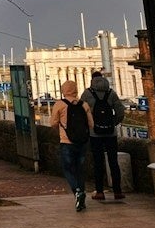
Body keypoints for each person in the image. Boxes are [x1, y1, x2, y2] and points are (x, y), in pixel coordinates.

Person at [81, 70, 125, 202]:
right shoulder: (111, 93)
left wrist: (90, 125)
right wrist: (113, 123)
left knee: (98, 162)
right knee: (113, 162)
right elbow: (120, 111)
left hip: (95, 134)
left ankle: (99, 191)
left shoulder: (87, 94)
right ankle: (117, 191)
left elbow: (81, 111)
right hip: (110, 133)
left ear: (92, 80)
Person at [53, 79, 92, 211]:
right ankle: (81, 193)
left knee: (68, 169)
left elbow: (53, 123)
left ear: (63, 90)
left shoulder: (59, 105)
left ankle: (77, 192)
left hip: (66, 141)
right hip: (82, 142)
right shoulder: (84, 105)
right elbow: (91, 124)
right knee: (80, 169)